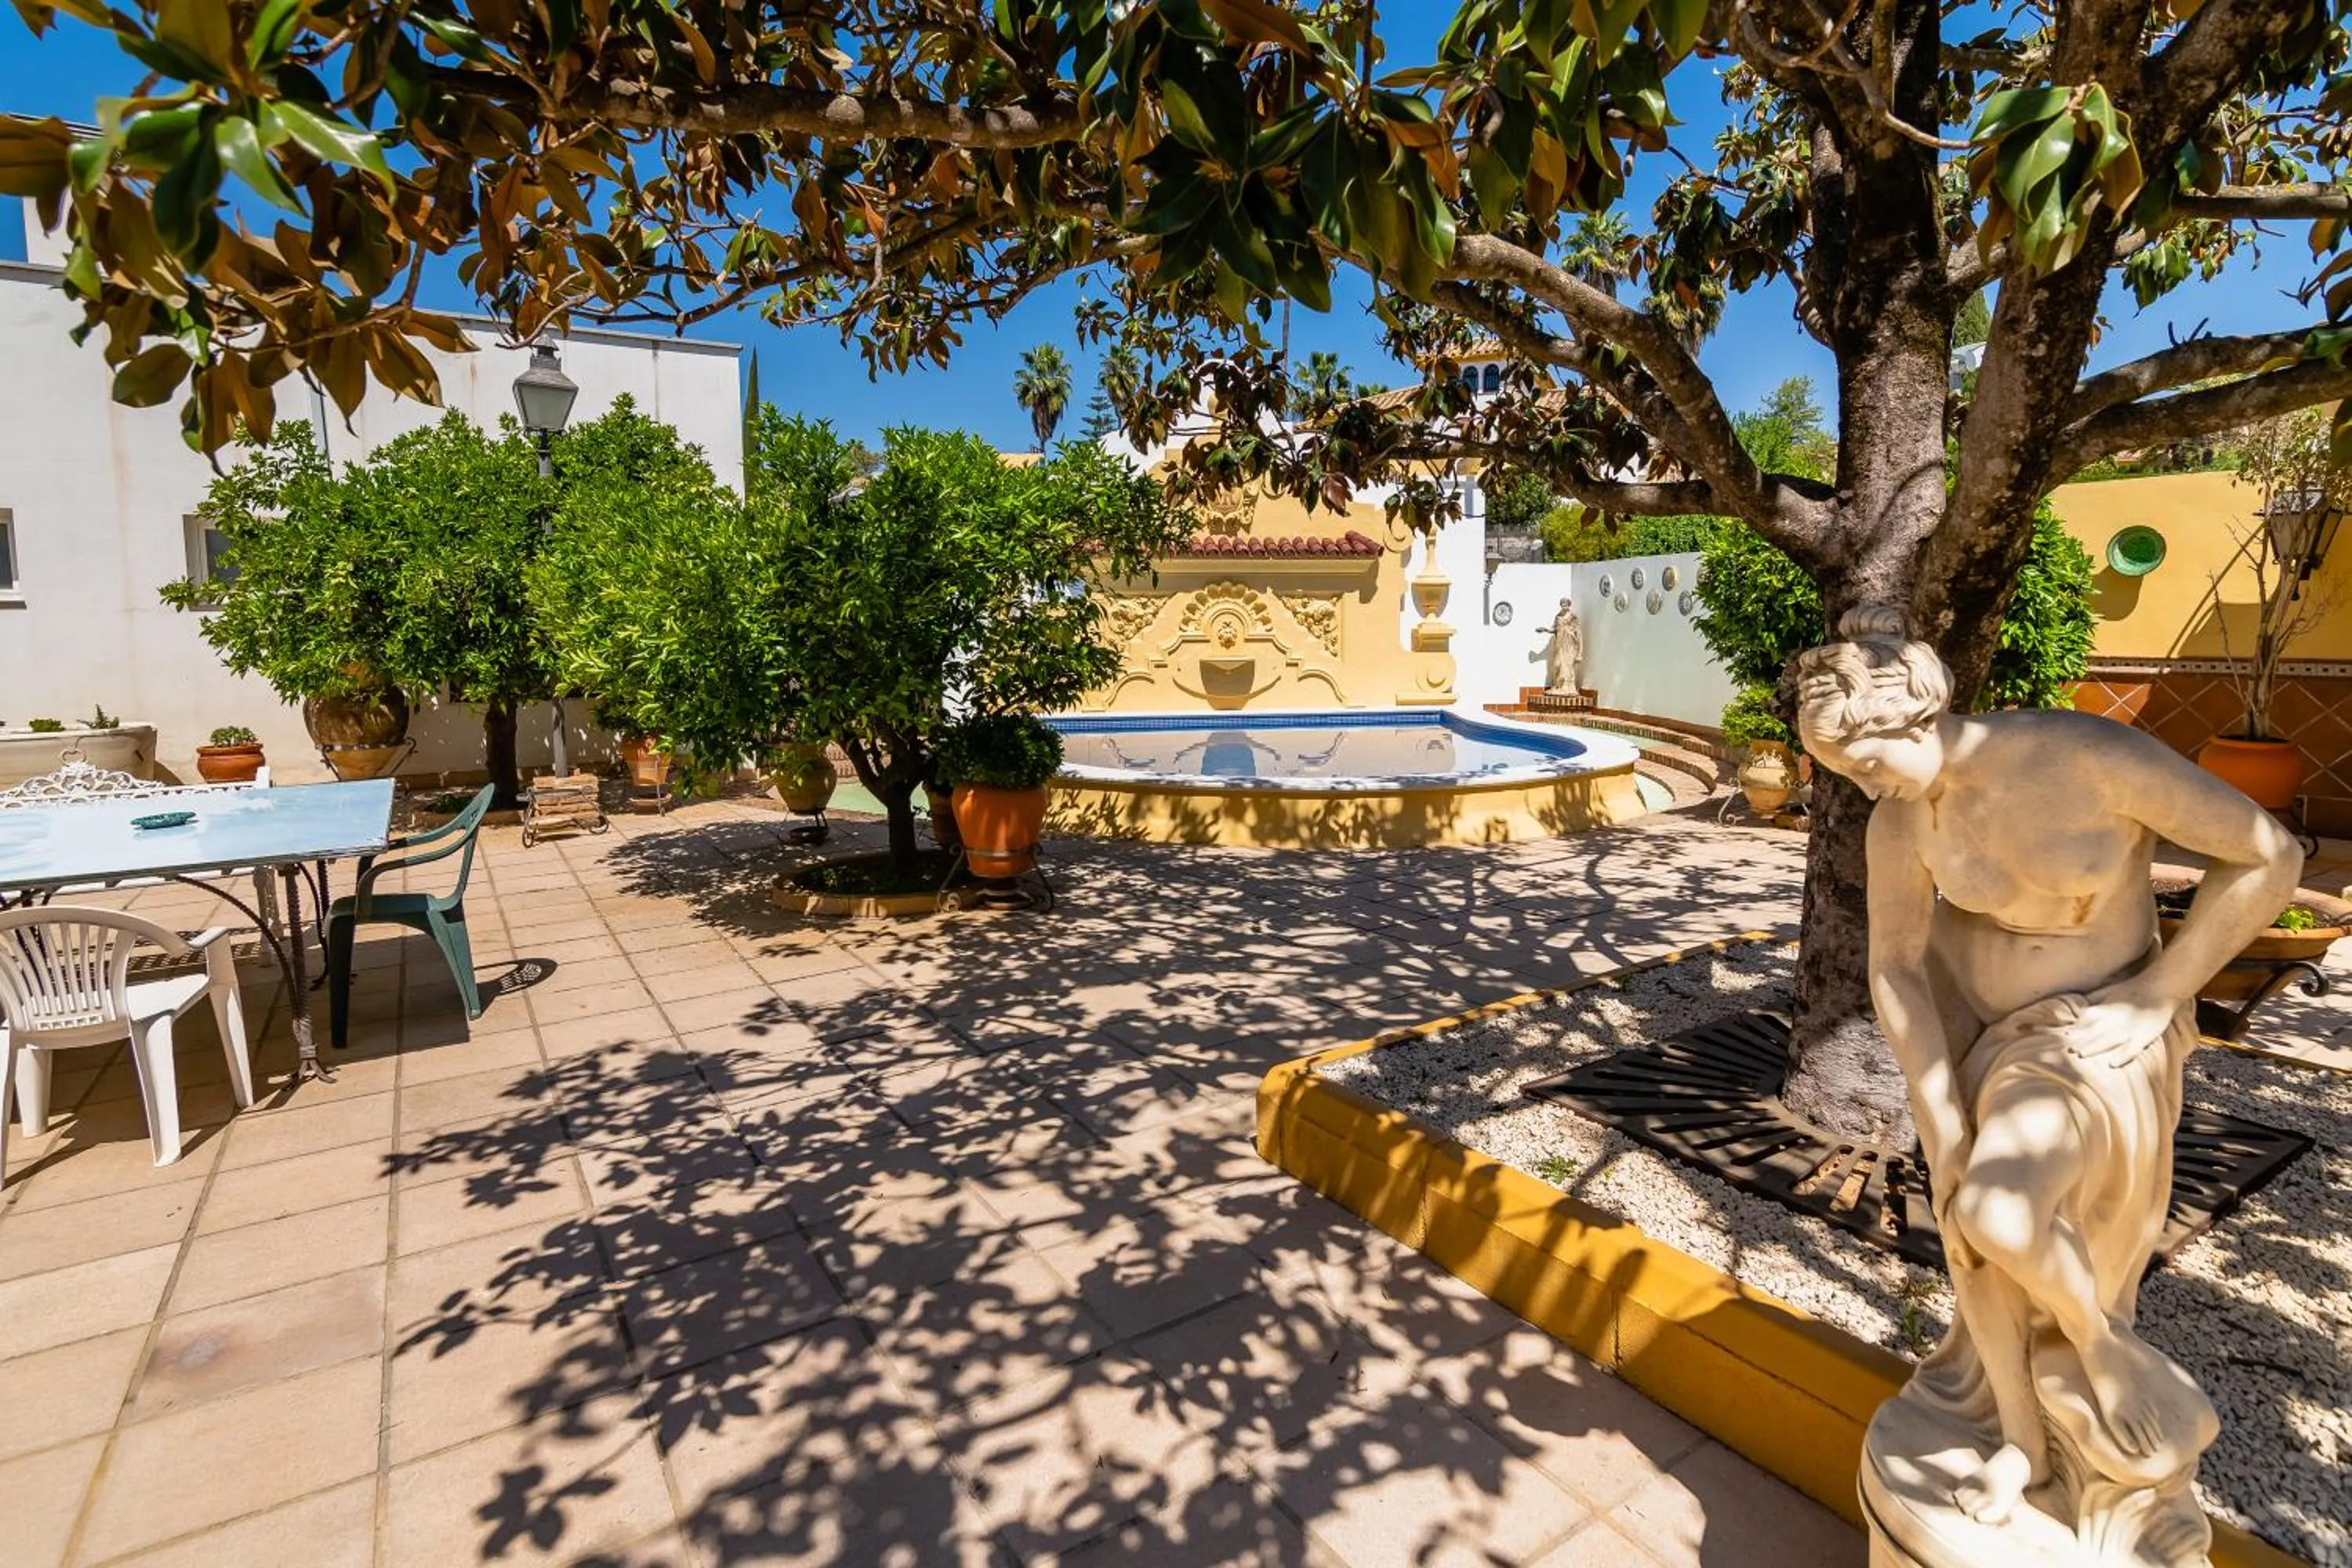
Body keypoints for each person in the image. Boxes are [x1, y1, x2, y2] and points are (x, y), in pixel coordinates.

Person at [1794, 605, 2297, 1533]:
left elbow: (2270, 857)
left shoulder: (2085, 757)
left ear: (1913, 714)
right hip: (1971, 1024)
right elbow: (1897, 965)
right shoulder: (1903, 821)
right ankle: (2021, 1439)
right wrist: (1937, 1111)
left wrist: (2159, 992)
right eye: (1843, 775)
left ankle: (2101, 1344)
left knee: (2000, 1208)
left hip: (2087, 1029)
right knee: (1967, 1225)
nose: (1862, 787)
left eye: (1864, 762)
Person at [1544, 598, 1583, 696]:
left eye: (1565, 603)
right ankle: (1558, 685)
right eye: (1562, 603)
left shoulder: (1573, 617)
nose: (1564, 605)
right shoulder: (1558, 616)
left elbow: (1578, 633)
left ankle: (1567, 687)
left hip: (1570, 645)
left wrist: (1579, 653)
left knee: (1567, 666)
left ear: (1569, 604)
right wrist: (1546, 630)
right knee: (1557, 664)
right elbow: (1554, 629)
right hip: (1559, 644)